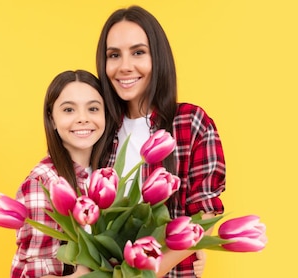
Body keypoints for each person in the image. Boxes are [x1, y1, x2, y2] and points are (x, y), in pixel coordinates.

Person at [95, 5, 226, 278]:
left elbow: (204, 212)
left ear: (158, 57)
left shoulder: (190, 123)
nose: (125, 66)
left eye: (138, 52)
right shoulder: (99, 129)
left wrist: (150, 271)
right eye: (114, 55)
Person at [11, 70, 114, 278]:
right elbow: (35, 274)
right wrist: (88, 272)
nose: (83, 119)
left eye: (93, 108)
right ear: (52, 119)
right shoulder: (42, 183)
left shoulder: (107, 174)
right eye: (69, 110)